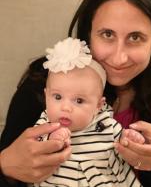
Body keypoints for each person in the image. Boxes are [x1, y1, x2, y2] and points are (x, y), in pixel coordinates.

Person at [0, 0, 151, 187]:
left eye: (135, 37)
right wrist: (5, 166)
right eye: (107, 34)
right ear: (89, 32)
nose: (119, 57)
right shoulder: (49, 79)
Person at [32, 37, 144, 187]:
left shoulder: (106, 124)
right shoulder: (45, 124)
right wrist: (52, 139)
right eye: (57, 97)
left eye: (78, 101)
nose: (65, 107)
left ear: (99, 105)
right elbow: (33, 150)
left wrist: (132, 139)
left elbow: (126, 146)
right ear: (46, 96)